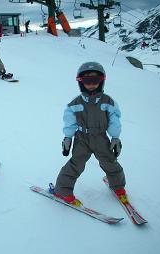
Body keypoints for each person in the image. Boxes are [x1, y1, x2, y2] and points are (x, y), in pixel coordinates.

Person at [52, 62, 127, 206]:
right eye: (87, 81)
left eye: (95, 81)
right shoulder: (75, 103)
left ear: (101, 81)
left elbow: (114, 121)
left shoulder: (108, 102)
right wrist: (68, 137)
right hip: (82, 139)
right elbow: (69, 122)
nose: (91, 84)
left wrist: (115, 138)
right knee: (76, 164)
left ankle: (118, 186)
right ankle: (62, 190)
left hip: (101, 137)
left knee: (109, 161)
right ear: (81, 82)